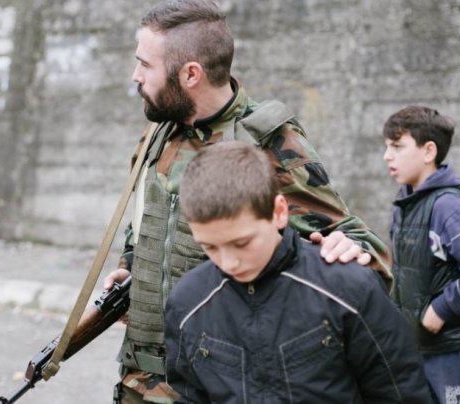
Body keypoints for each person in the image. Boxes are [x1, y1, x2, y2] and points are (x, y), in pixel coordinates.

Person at [105, 1, 391, 401]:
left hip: (220, 386)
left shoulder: (268, 142)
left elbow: (365, 248)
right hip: (139, 381)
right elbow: (145, 222)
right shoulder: (157, 133)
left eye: (145, 65)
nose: (136, 76)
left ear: (190, 74)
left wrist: (351, 249)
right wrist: (131, 267)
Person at [164, 141, 431, 403]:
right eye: (210, 247)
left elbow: (401, 391)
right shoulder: (187, 302)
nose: (229, 262)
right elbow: (190, 395)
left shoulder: (347, 288)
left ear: (279, 212)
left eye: (242, 243)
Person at [382, 105, 460, 404]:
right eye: (387, 147)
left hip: (455, 350)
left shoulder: (447, 207)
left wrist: (442, 309)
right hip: (421, 347)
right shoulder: (406, 205)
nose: (387, 156)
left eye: (397, 146)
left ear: (429, 151)